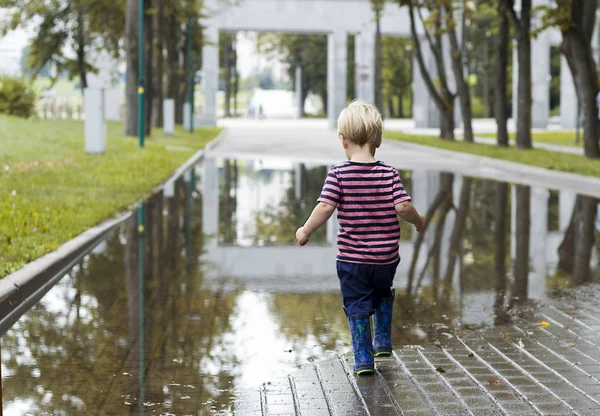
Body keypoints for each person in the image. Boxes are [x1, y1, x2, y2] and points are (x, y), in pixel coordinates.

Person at [295, 101, 425, 375]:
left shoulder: (339, 174)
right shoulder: (388, 173)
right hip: (386, 259)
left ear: (343, 141)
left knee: (356, 305)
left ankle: (364, 359)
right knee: (381, 294)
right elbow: (402, 207)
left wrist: (306, 230)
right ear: (378, 140)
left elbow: (326, 206)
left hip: (352, 260)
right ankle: (383, 341)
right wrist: (419, 221)